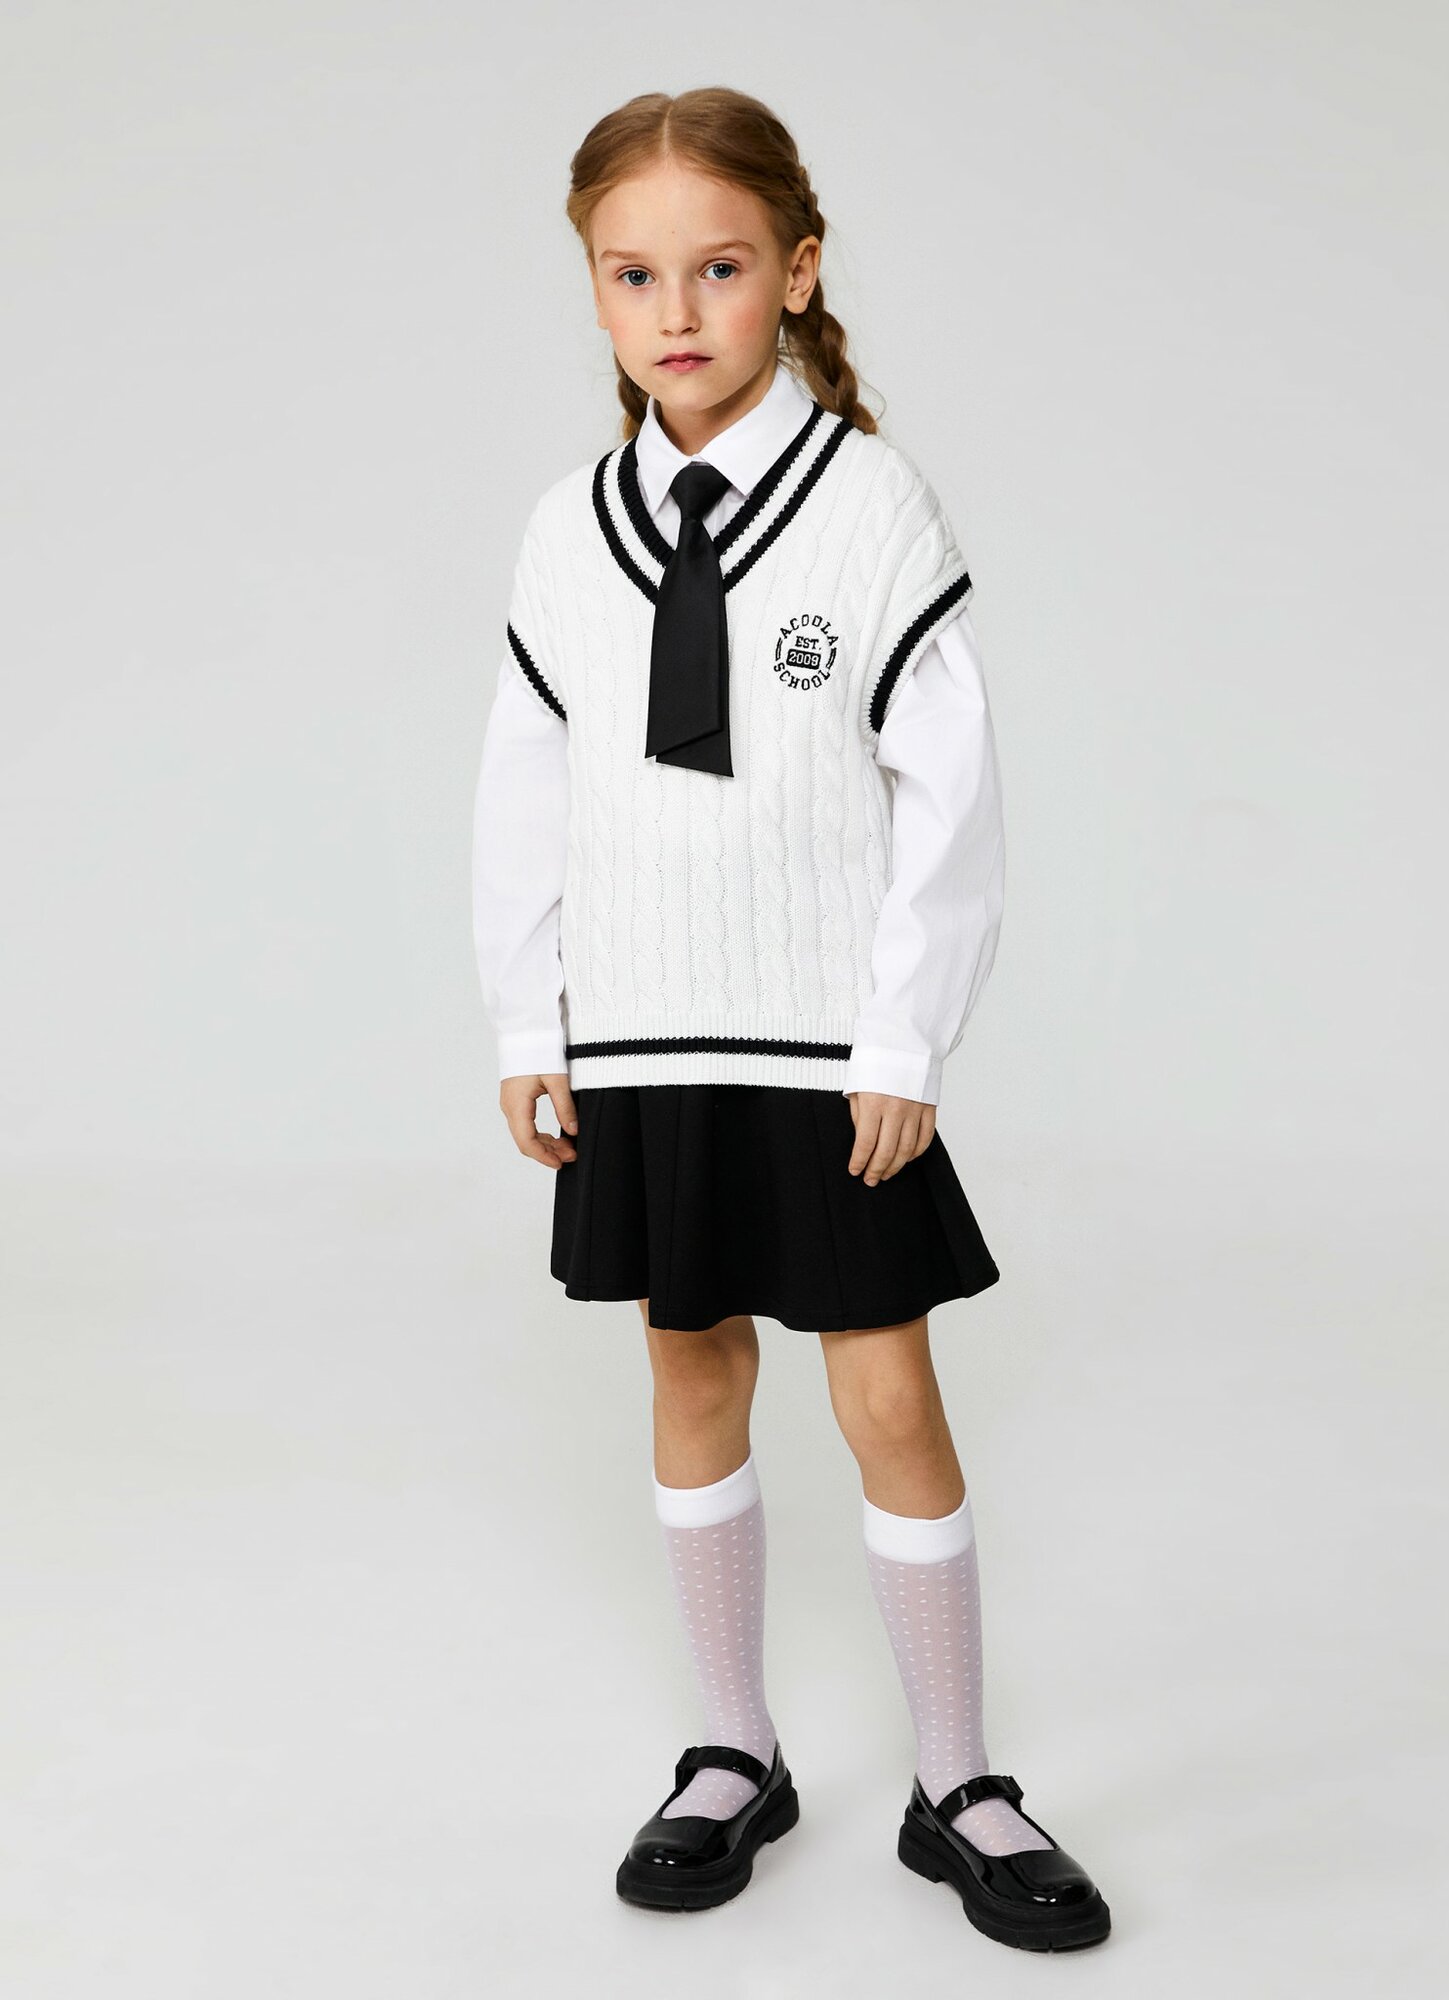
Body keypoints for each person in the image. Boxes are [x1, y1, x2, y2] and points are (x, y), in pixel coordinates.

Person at [471, 86, 1110, 1952]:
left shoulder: (867, 507)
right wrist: (531, 1016)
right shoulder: (569, 530)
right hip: (645, 1038)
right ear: (595, 290)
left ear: (800, 272)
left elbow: (952, 797)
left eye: (721, 267)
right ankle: (733, 1750)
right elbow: (526, 784)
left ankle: (959, 1781)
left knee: (887, 1392)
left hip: (824, 1048)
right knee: (691, 1373)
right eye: (633, 275)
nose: (676, 311)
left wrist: (901, 1040)